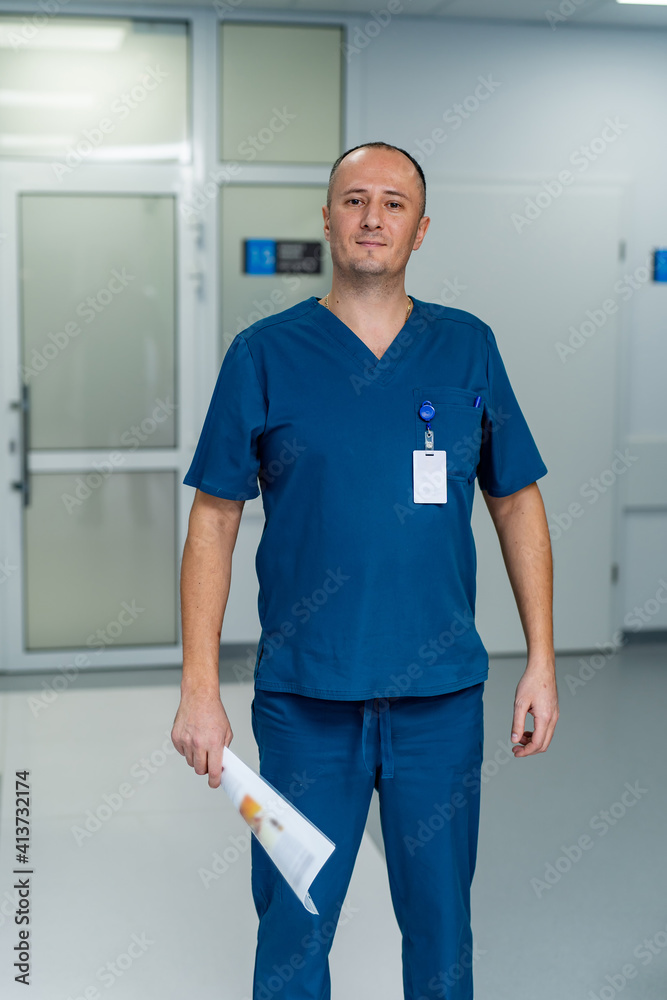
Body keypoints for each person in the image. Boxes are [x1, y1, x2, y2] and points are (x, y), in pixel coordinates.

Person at [171, 140, 559, 1000]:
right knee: (292, 933)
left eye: (392, 203)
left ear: (420, 229)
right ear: (326, 219)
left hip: (440, 703)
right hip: (306, 703)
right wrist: (200, 683)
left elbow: (515, 502)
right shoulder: (264, 354)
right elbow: (214, 518)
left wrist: (540, 658)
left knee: (441, 936)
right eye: (353, 200)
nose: (372, 216)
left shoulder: (466, 349)